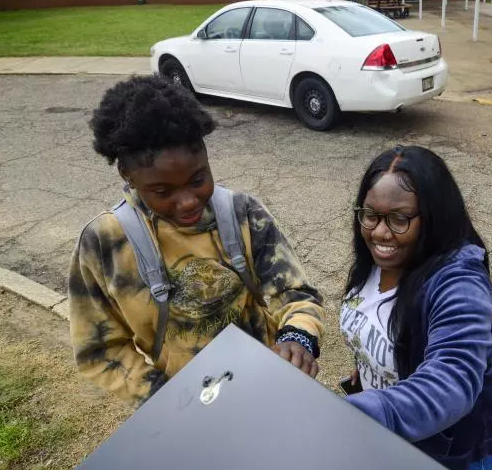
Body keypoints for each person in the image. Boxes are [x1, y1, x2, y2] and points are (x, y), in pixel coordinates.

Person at [69, 75, 325, 405]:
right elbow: (100, 349)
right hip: (187, 405)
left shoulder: (243, 214)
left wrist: (297, 337)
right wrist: (167, 398)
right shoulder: (104, 243)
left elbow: (295, 293)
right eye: (162, 191)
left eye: (198, 179)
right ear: (127, 175)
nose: (188, 202)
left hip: (269, 382)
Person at [340, 145, 492, 470]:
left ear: (433, 216)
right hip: (399, 439)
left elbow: (451, 380)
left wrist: (361, 414)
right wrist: (369, 368)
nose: (380, 233)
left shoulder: (459, 282)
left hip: (454, 455)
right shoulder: (376, 260)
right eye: (370, 215)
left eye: (399, 219)